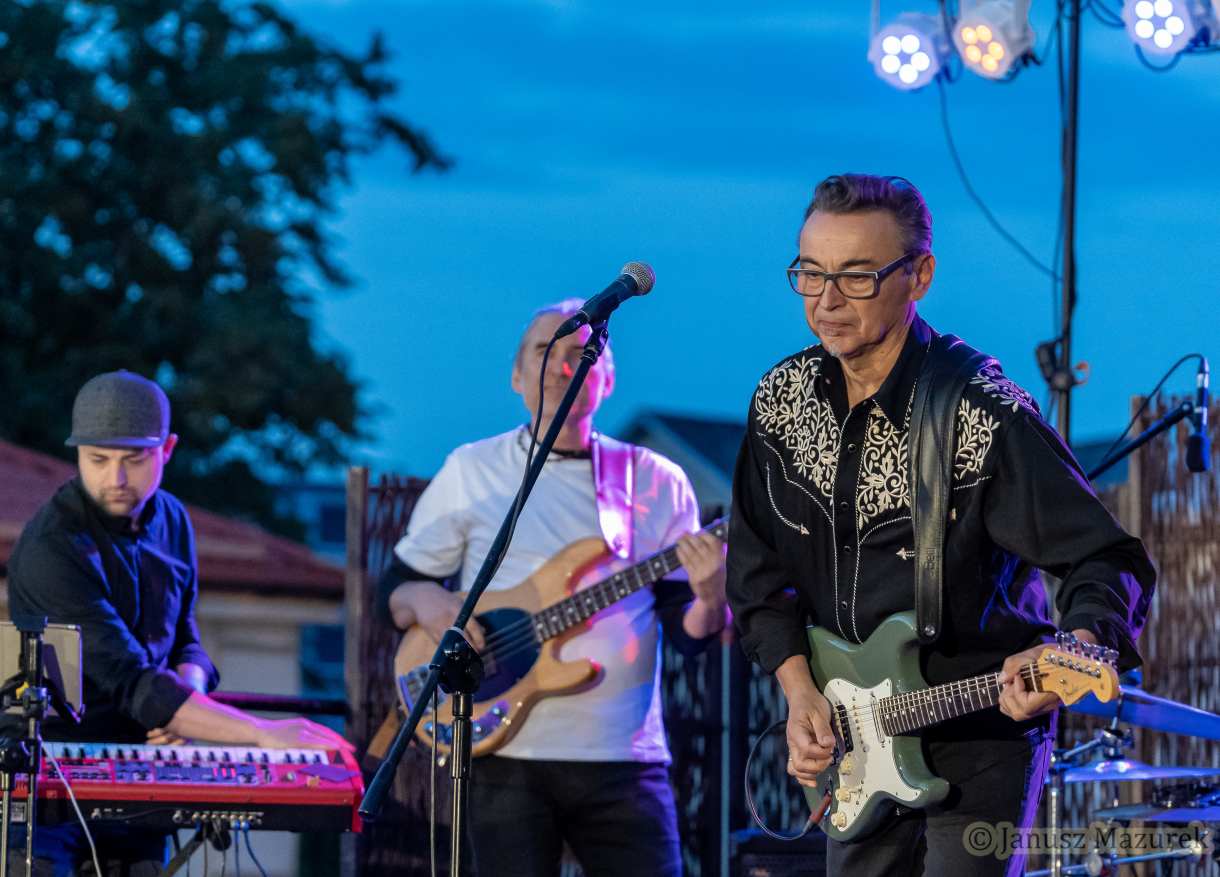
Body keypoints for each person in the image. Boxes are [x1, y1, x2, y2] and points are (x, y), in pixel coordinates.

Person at [725, 174, 1155, 877]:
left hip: (982, 731)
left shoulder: (982, 412)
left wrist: (1077, 643)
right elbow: (756, 572)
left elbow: (1107, 556)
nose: (825, 302)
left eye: (857, 277)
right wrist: (800, 688)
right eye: (809, 273)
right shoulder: (779, 401)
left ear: (918, 273)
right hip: (853, 736)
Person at [379, 299, 730, 877]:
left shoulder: (655, 480)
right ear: (518, 377)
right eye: (548, 351)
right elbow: (399, 586)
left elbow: (688, 634)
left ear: (607, 379)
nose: (568, 365)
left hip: (624, 759)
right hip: (503, 751)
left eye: (584, 354)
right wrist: (437, 606)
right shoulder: (471, 469)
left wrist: (712, 594)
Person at [5, 370, 351, 876]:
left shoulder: (172, 520)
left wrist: (183, 699)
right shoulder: (52, 547)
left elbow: (186, 639)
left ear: (166, 449)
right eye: (97, 460)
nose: (115, 479)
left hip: (144, 766)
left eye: (134, 459)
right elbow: (130, 679)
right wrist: (259, 732)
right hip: (50, 776)